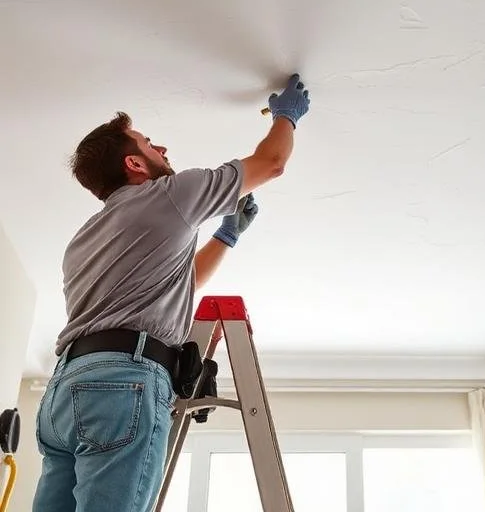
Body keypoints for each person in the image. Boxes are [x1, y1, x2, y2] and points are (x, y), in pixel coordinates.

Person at [32, 73, 311, 512]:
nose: (161, 150)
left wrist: (226, 237)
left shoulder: (84, 240)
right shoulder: (169, 195)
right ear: (136, 165)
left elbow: (177, 286)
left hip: (64, 395)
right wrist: (286, 116)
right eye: (148, 143)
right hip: (119, 387)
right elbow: (271, 162)